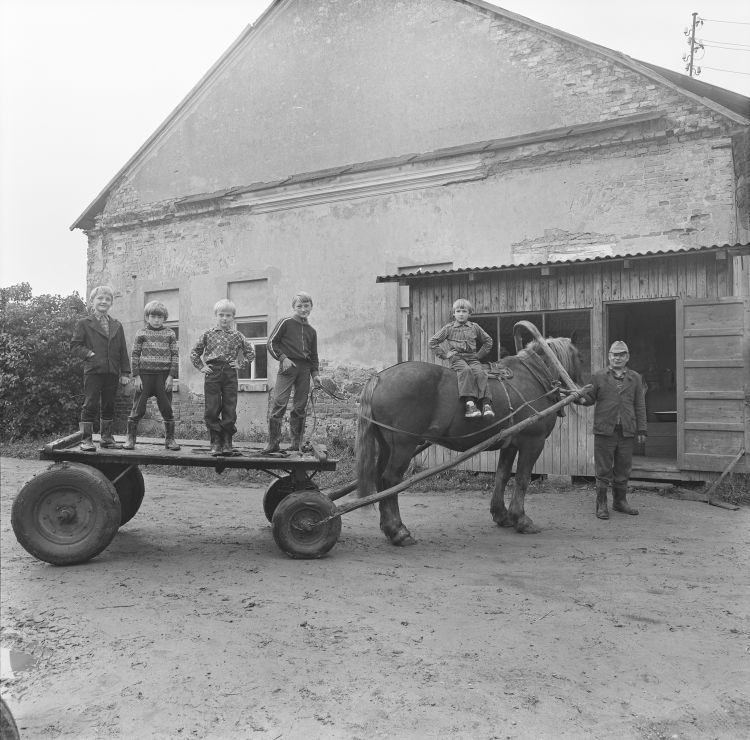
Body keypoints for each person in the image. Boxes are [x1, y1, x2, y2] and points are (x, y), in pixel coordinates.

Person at [578, 340, 647, 519]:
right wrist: (579, 398)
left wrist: (642, 430)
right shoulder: (598, 376)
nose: (617, 358)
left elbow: (640, 405)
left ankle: (620, 502)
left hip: (627, 431)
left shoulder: (635, 378)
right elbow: (590, 399)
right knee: (603, 470)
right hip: (604, 431)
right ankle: (601, 505)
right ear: (609, 357)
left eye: (621, 354)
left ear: (627, 357)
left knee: (623, 468)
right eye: (614, 355)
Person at [190, 299, 255, 456]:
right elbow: (194, 353)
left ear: (233, 317)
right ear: (216, 316)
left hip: (230, 373)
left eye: (228, 315)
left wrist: (240, 364)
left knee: (229, 407)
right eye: (221, 315)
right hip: (213, 373)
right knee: (212, 408)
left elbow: (251, 353)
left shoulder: (238, 336)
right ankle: (215, 442)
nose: (224, 318)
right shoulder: (208, 334)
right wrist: (202, 366)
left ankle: (227, 441)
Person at [71, 285, 131, 451]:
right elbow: (75, 346)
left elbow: (123, 350)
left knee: (109, 405)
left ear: (111, 303)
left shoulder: (117, 325)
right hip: (93, 371)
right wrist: (89, 354)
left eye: (107, 299)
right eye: (100, 298)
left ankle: (106, 438)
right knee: (90, 404)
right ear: (92, 301)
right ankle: (86, 439)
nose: (104, 301)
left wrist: (125, 372)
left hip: (112, 372)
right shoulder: (84, 323)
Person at [262, 292, 322, 454]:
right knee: (279, 402)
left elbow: (314, 355)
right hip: (288, 367)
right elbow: (271, 343)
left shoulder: (312, 331)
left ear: (311, 307)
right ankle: (273, 442)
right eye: (299, 306)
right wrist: (283, 358)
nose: (303, 309)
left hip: (305, 370)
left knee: (300, 407)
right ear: (293, 307)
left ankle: (296, 444)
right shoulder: (285, 322)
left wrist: (315, 374)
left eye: (306, 306)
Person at [124, 300, 180, 451]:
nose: (156, 320)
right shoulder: (141, 333)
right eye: (153, 316)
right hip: (145, 376)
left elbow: (175, 355)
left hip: (163, 377)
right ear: (147, 317)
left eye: (160, 317)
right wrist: (136, 376)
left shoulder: (170, 333)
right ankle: (130, 439)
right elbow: (134, 355)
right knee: (138, 408)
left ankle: (170, 440)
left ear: (164, 318)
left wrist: (171, 376)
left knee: (167, 408)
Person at [429, 298, 494, 419]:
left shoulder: (475, 327)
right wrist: (445, 355)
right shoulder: (448, 328)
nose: (461, 314)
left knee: (481, 373)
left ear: (470, 313)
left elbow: (488, 341)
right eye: (458, 311)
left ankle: (486, 404)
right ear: (454, 314)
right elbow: (433, 342)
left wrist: (479, 355)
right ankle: (470, 404)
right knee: (466, 371)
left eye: (464, 311)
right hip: (457, 359)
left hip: (472, 358)